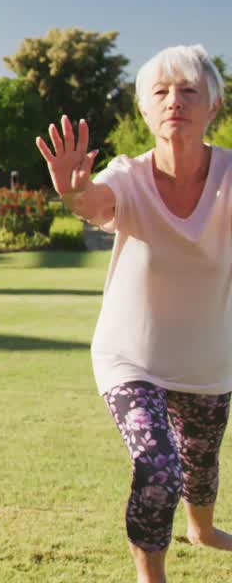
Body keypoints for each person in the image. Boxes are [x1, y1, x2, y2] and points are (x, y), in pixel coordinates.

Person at [36, 44, 231, 583]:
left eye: (188, 90)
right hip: (131, 357)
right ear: (144, 109)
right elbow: (96, 203)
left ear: (214, 105)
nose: (174, 101)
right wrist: (75, 192)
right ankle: (151, 577)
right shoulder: (129, 175)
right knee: (158, 469)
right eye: (160, 92)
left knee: (200, 468)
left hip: (208, 362)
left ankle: (203, 530)